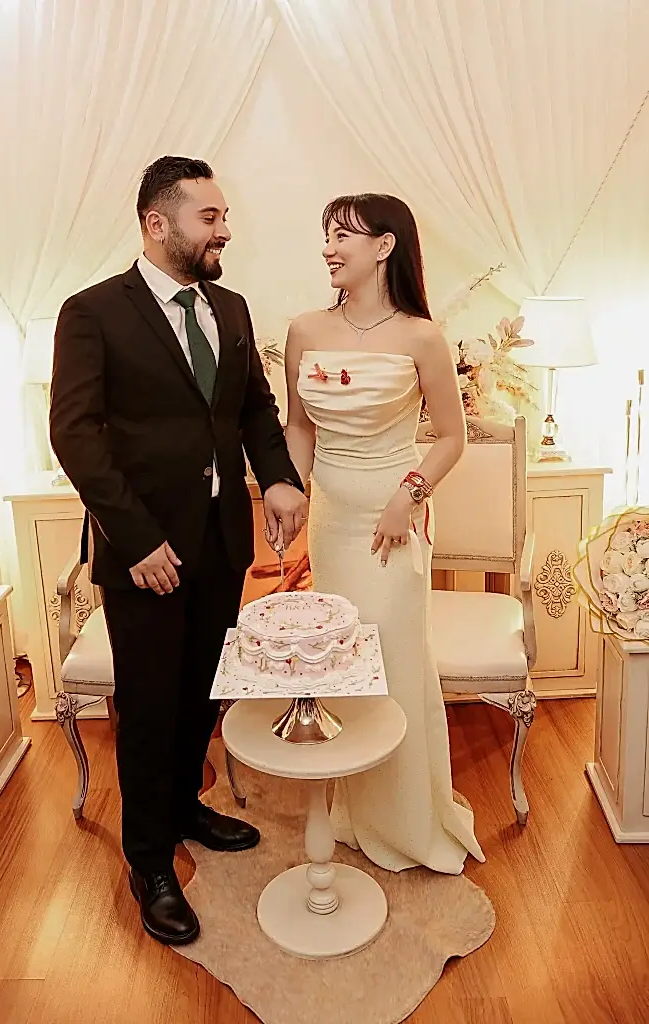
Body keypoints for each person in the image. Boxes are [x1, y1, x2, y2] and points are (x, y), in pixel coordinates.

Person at [50, 156, 308, 945]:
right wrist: (135, 539)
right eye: (210, 217)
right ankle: (149, 860)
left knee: (202, 692)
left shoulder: (230, 307)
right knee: (150, 704)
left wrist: (280, 479)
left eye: (224, 216)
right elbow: (75, 435)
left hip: (221, 541)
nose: (225, 230)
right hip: (145, 553)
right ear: (157, 223)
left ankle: (185, 807)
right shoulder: (93, 312)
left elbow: (254, 408)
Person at [283, 193, 484, 874]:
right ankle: (356, 809)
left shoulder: (421, 337)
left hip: (396, 524)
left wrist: (409, 496)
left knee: (393, 662)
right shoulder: (305, 330)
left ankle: (407, 818)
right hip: (332, 524)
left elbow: (451, 437)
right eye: (327, 235)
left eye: (343, 235)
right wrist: (291, 493)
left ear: (384, 246)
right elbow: (299, 427)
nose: (329, 248)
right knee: (344, 662)